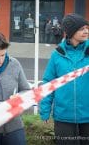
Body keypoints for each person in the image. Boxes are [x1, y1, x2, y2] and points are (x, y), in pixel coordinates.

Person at [39, 13, 89, 145]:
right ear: (71, 32)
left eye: (87, 28)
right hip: (63, 117)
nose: (86, 31)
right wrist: (45, 110)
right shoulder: (57, 55)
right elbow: (49, 83)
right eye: (81, 29)